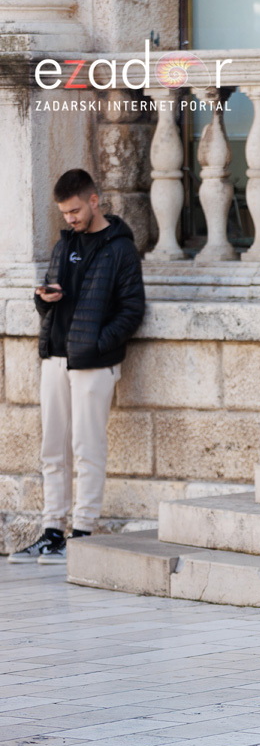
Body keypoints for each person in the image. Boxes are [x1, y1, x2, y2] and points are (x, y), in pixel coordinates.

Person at [10, 169, 144, 565]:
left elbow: (132, 309)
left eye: (73, 210)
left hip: (93, 363)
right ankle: (52, 530)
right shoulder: (62, 245)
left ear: (93, 200)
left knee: (88, 448)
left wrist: (99, 345)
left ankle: (82, 532)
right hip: (55, 356)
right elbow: (54, 295)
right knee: (53, 449)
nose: (69, 218)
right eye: (64, 213)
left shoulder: (120, 249)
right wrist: (43, 300)